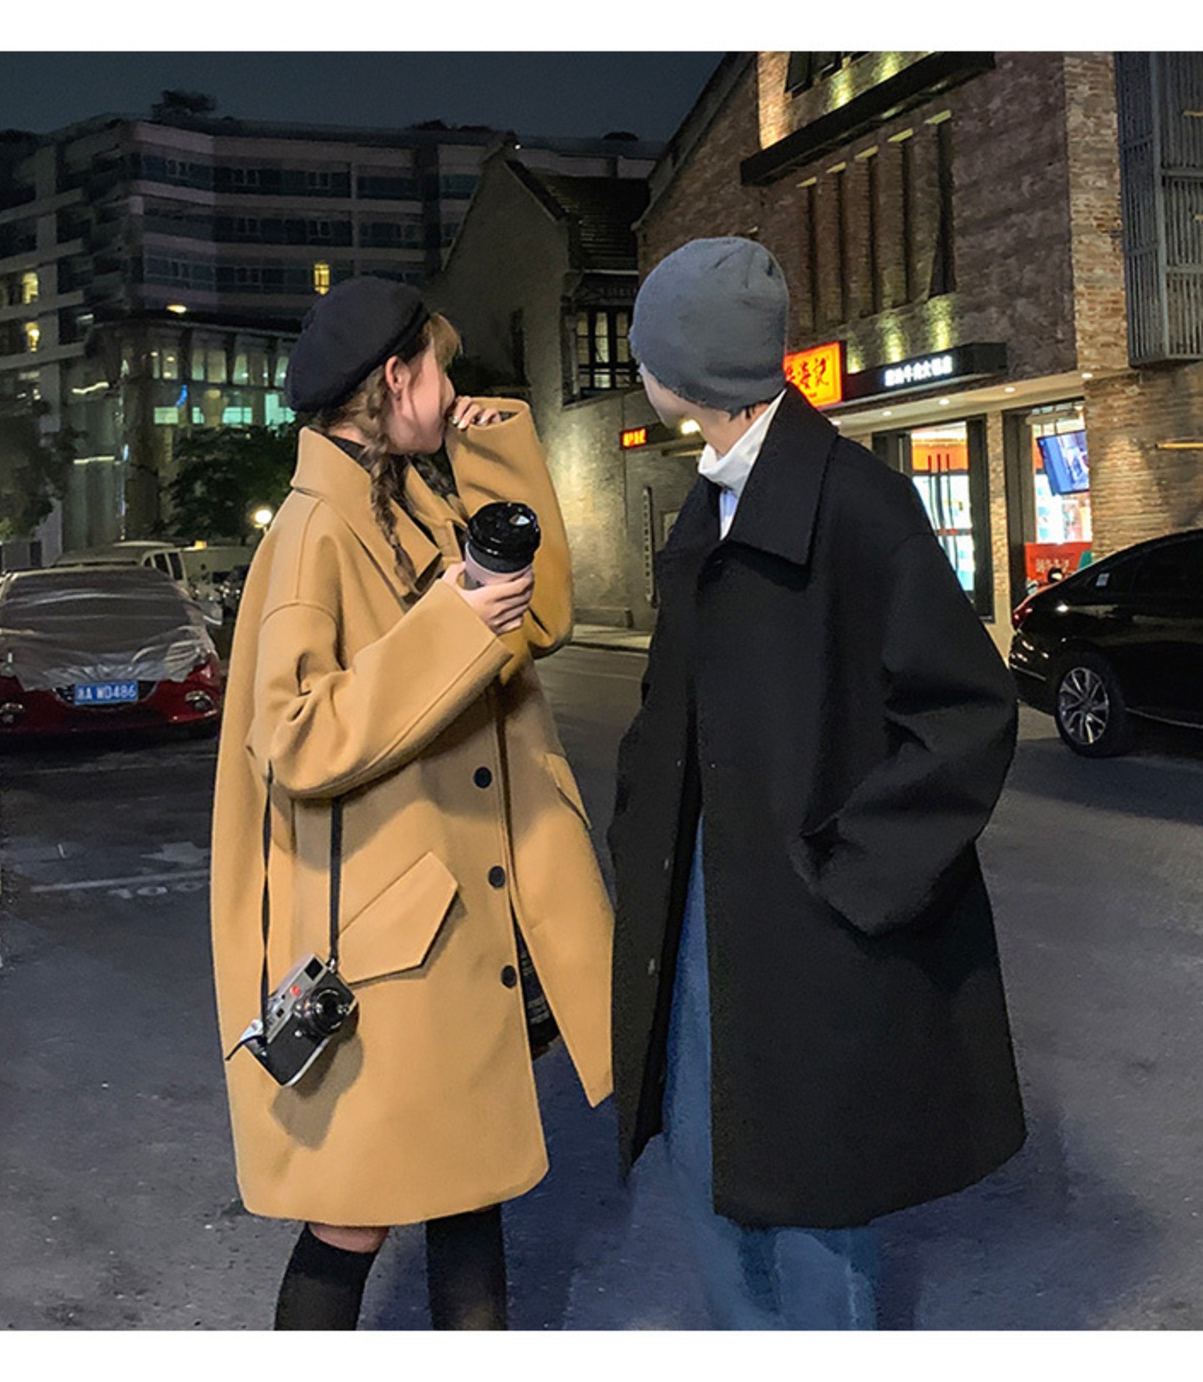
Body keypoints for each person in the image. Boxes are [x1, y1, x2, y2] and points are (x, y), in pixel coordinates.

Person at [608, 238, 1026, 1330]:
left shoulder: (856, 505)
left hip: (804, 915)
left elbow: (966, 711)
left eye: (646, 348)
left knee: (810, 1200)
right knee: (704, 1155)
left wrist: (849, 873)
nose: (637, 368)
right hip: (706, 900)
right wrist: (639, 828)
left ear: (685, 366)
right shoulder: (713, 502)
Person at [210, 277, 614, 1330]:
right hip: (389, 937)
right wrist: (454, 626)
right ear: (394, 377)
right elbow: (295, 735)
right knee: (354, 1218)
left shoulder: (412, 503)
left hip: (461, 915)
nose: (451, 382)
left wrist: (494, 454)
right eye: (440, 365)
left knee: (470, 1189)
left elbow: (541, 619)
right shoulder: (313, 532)